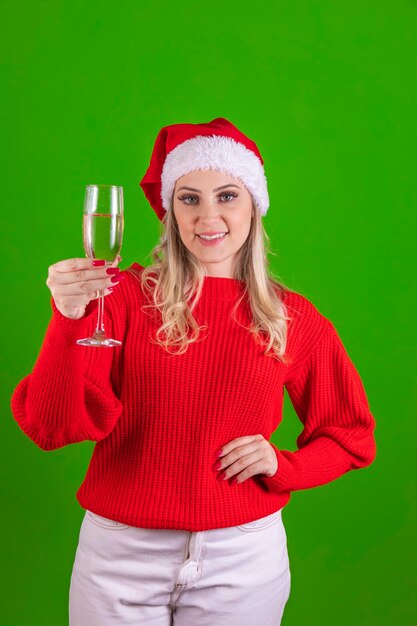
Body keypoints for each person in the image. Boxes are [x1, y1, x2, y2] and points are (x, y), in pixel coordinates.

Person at [10, 117, 377, 626]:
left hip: (243, 557)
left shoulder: (294, 318)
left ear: (254, 204)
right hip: (121, 553)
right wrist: (67, 319)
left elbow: (351, 437)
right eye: (189, 198)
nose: (209, 215)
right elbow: (53, 427)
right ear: (169, 209)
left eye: (227, 195)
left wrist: (282, 466)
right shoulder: (119, 299)